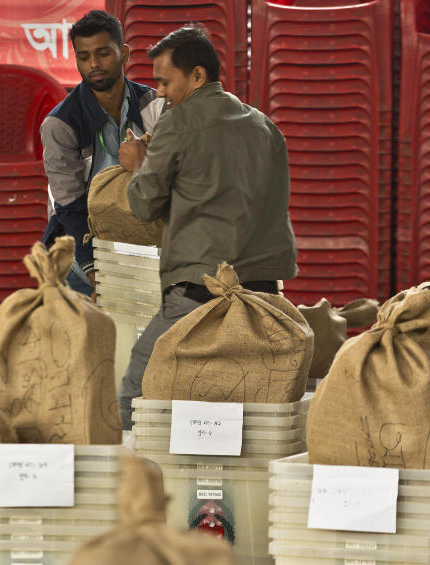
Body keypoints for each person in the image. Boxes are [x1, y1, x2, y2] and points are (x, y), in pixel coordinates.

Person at [116, 25, 298, 428]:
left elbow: (144, 204)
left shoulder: (176, 123)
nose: (160, 92)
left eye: (165, 81)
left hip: (199, 293)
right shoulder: (265, 127)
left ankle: (135, 488)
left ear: (197, 76)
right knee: (247, 409)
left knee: (136, 395)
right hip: (264, 295)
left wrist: (137, 165)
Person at [40, 10, 164, 295]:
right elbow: (70, 209)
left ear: (124, 53)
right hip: (83, 244)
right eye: (84, 57)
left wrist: (148, 163)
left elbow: (180, 177)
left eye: (103, 53)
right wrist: (97, 273)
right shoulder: (60, 125)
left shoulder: (155, 106)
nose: (94, 64)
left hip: (147, 238)